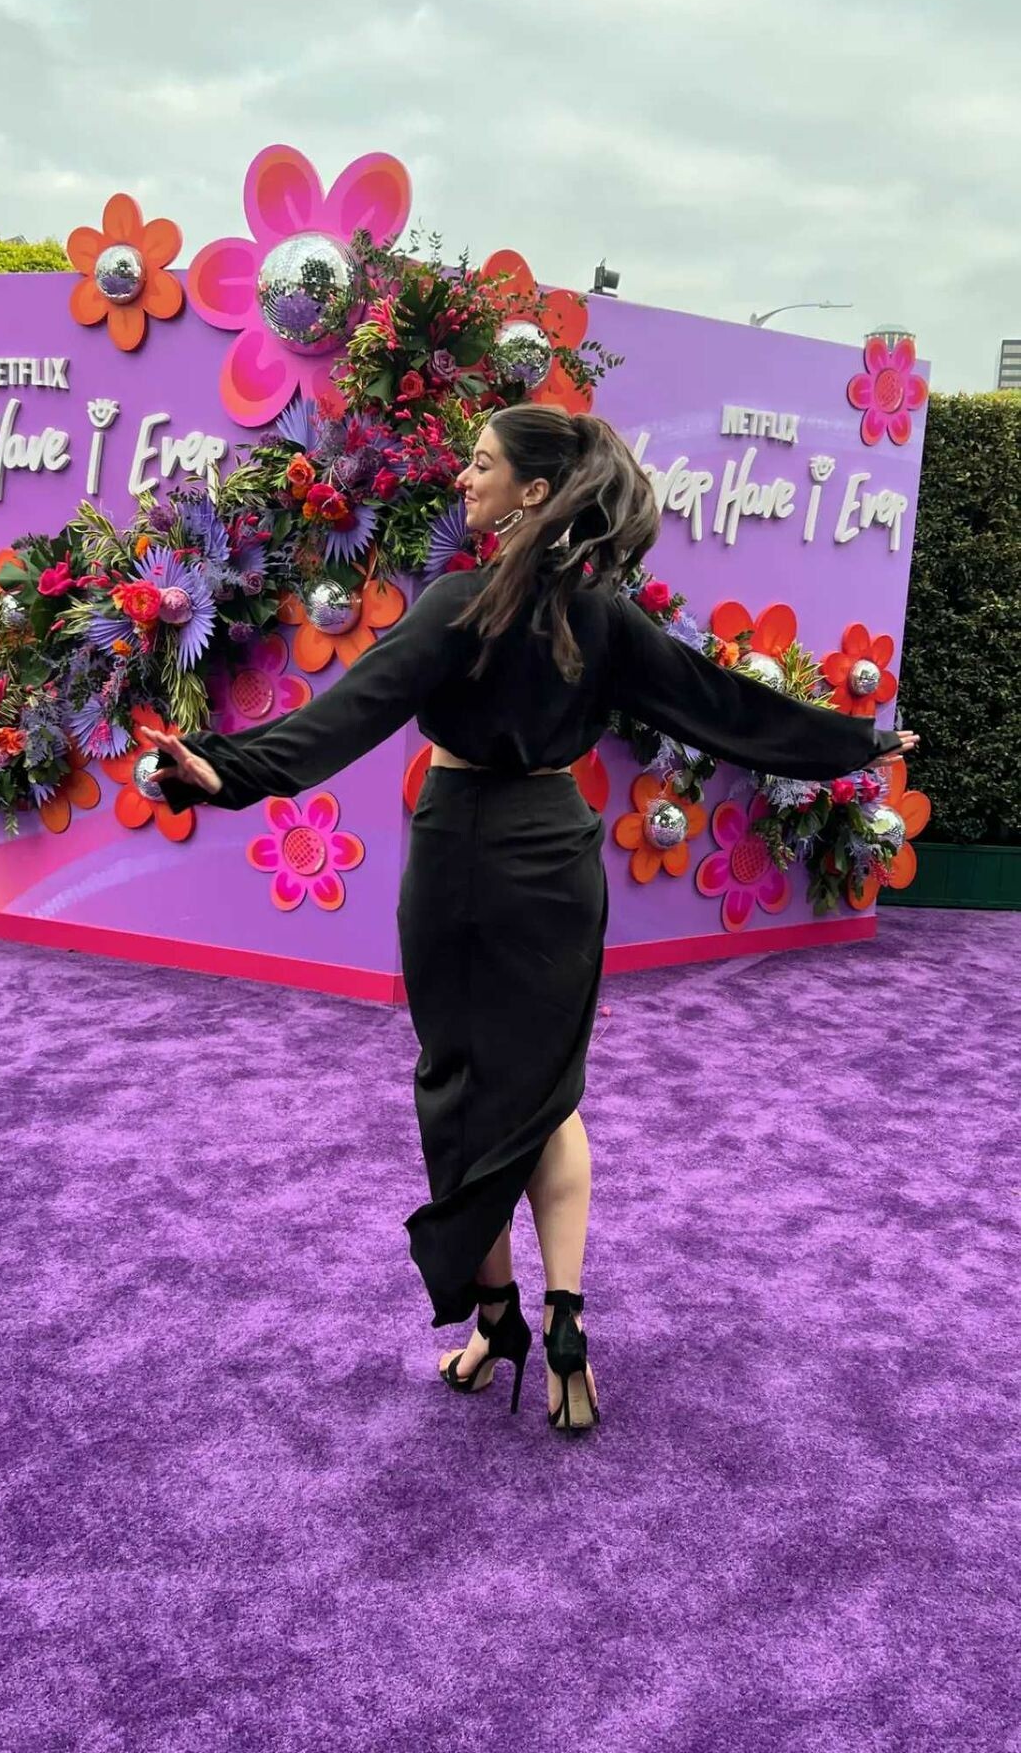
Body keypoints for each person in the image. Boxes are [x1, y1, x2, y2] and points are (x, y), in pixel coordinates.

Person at [142, 406, 919, 1437]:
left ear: (535, 492)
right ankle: (563, 1322)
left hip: (460, 851)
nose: (464, 479)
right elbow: (725, 708)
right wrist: (854, 743)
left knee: (464, 1089)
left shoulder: (457, 602)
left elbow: (350, 712)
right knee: (546, 1095)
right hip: (558, 855)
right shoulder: (605, 620)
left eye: (481, 464)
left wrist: (223, 772)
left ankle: (497, 1317)